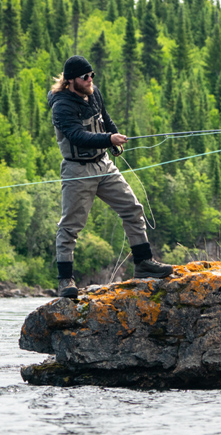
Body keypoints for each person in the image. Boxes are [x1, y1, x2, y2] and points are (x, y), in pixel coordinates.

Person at [48, 55, 173, 297]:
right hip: (77, 170)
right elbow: (76, 135)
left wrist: (114, 138)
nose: (90, 79)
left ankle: (144, 263)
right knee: (70, 227)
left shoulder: (93, 93)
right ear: (71, 80)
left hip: (104, 165)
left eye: (92, 74)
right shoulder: (61, 106)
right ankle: (65, 281)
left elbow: (105, 118)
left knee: (132, 209)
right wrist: (108, 139)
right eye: (85, 77)